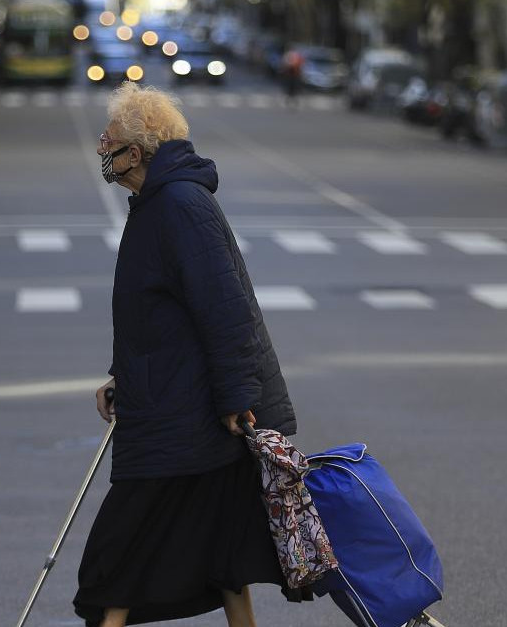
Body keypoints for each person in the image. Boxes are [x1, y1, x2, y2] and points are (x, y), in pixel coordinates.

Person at [74, 81, 301, 627]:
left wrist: (238, 396)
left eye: (109, 140)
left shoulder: (179, 205)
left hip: (185, 420)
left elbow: (225, 308)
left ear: (139, 150)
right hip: (176, 408)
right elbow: (159, 317)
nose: (101, 149)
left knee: (120, 549)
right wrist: (122, 377)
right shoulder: (155, 203)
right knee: (221, 550)